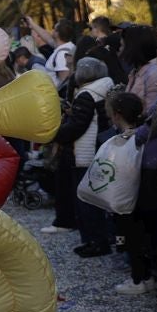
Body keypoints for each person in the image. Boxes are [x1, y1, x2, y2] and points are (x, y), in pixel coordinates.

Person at [56, 57, 116, 257]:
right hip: (99, 151)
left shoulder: (86, 94)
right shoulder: (106, 87)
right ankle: (100, 239)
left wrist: (55, 133)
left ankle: (94, 241)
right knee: (95, 199)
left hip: (84, 153)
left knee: (84, 199)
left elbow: (77, 126)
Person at [103, 91, 155, 294]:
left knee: (131, 239)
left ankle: (137, 280)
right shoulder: (144, 134)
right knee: (144, 238)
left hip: (125, 198)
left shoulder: (122, 140)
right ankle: (147, 276)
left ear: (116, 115)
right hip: (144, 195)